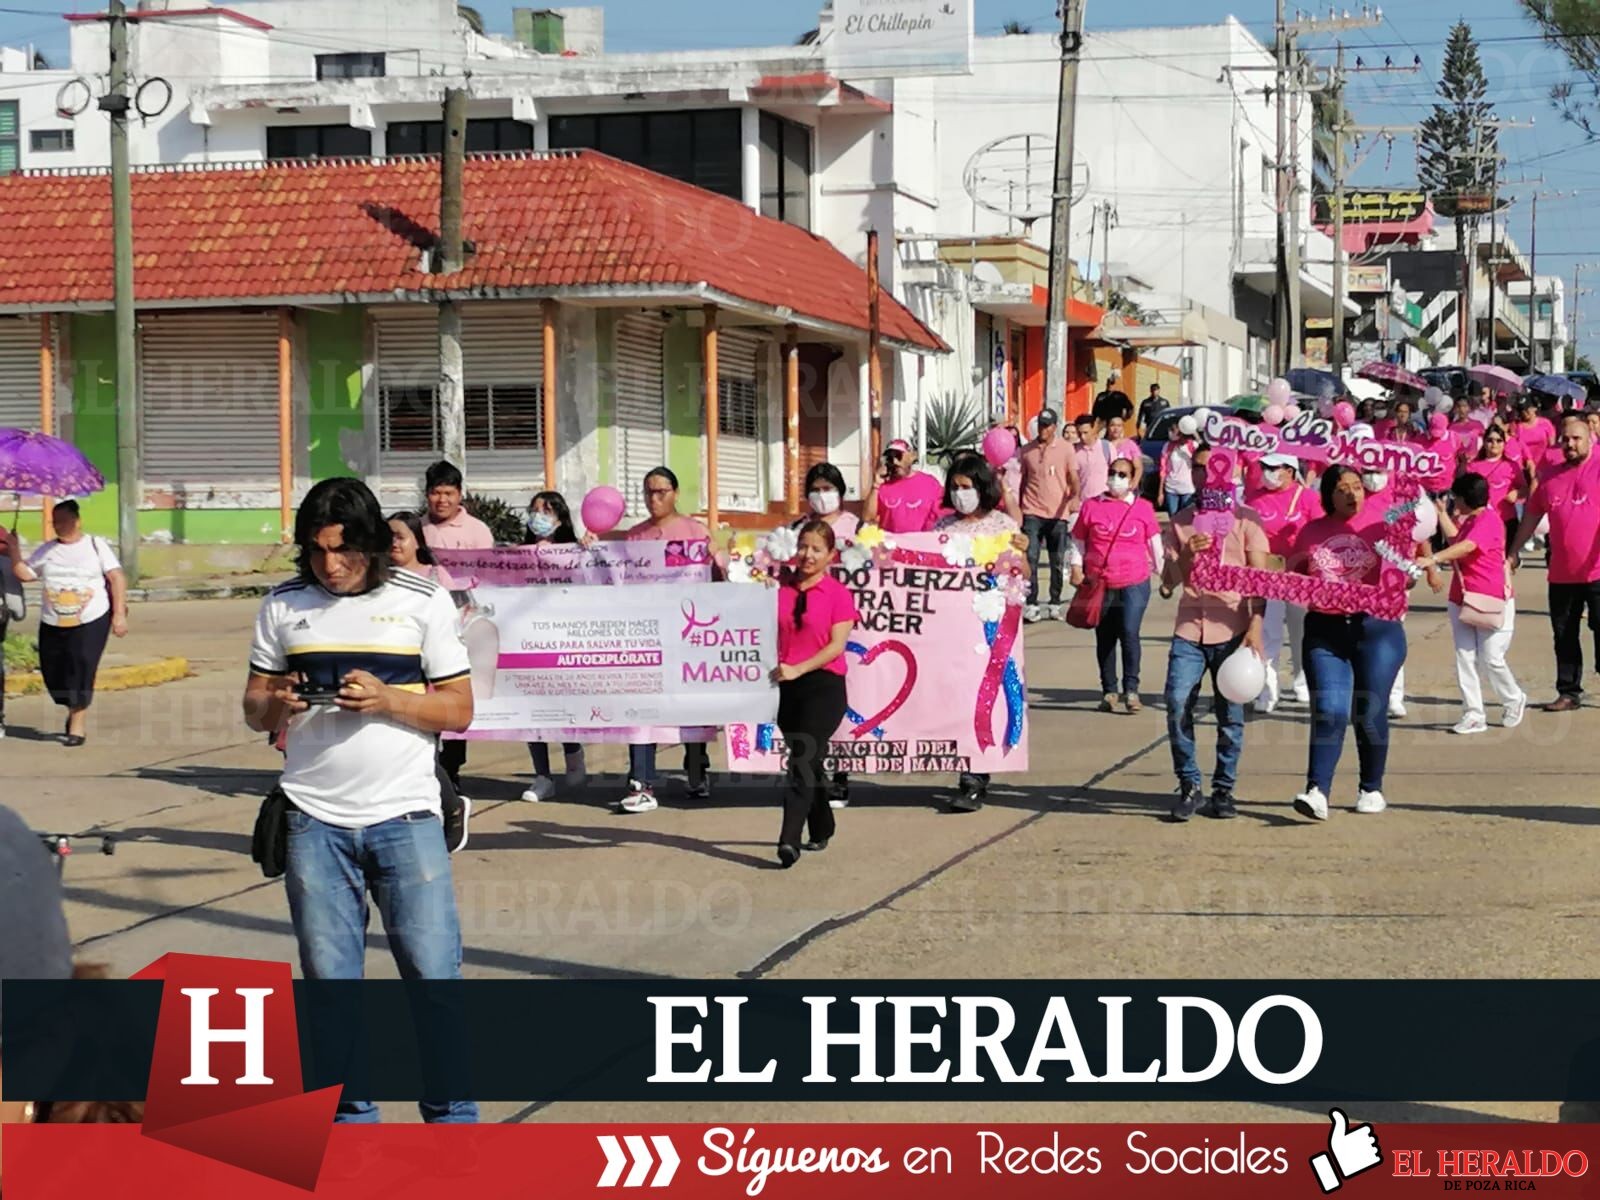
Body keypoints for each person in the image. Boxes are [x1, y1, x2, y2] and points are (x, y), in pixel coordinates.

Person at [242, 477, 477, 1124]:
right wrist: (275, 705)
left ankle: (452, 1122)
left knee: (433, 983)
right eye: (317, 552)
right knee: (331, 991)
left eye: (343, 551)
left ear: (372, 544)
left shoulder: (423, 599)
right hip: (313, 823)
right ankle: (352, 1129)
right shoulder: (284, 606)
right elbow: (253, 708)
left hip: (405, 818)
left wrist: (390, 699)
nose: (330, 566)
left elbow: (459, 709)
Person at [1290, 466, 1417, 821]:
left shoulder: (1385, 520)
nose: (1352, 494)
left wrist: (1404, 576)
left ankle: (1371, 788)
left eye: (1357, 487)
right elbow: (1290, 576)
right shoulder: (1312, 532)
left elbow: (1405, 568)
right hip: (1325, 631)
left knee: (1370, 711)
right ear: (1329, 495)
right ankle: (1317, 791)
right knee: (1329, 710)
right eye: (1343, 488)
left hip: (1376, 630)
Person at [1161, 478, 1270, 821]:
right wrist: (1188, 555)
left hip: (1233, 628)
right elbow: (1167, 583)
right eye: (1199, 468)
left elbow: (1259, 579)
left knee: (1231, 715)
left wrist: (1255, 627)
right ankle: (1189, 785)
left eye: (1213, 468)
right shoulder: (1181, 522)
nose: (1206, 475)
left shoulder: (1246, 519)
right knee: (1177, 702)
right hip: (1190, 628)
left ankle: (1224, 789)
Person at [935, 453, 1027, 812]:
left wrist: (1022, 555)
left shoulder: (1002, 526)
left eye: (966, 487)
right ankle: (962, 766)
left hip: (989, 626)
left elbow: (1023, 577)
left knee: (986, 696)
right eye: (955, 488)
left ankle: (976, 776)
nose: (960, 495)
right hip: (951, 630)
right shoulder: (941, 530)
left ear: (982, 488)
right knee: (956, 697)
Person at [621, 467, 714, 812]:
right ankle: (640, 781)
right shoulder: (633, 537)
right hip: (646, 636)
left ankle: (696, 770)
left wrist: (718, 554)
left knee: (690, 707)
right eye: (648, 493)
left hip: (688, 635)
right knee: (641, 708)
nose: (654, 499)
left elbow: (714, 577)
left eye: (660, 492)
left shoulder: (695, 532)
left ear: (675, 493)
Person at [0, 500, 128, 747]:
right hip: (54, 620)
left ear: (77, 521)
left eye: (64, 520)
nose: (59, 525)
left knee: (82, 664)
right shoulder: (48, 549)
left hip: (91, 617)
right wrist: (14, 550)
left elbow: (116, 577)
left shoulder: (95, 545)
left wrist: (119, 614)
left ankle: (78, 725)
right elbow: (25, 574)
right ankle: (72, 708)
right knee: (54, 670)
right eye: (55, 521)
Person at [771, 520, 858, 867]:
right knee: (809, 761)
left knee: (801, 761)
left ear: (830, 555)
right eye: (803, 546)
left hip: (823, 686)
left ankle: (788, 839)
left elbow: (836, 646)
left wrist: (799, 667)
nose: (807, 555)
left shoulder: (838, 594)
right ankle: (822, 824)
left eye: (816, 549)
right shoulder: (777, 588)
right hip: (785, 688)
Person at [1510, 413, 1600, 713]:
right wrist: (1513, 551)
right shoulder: (1549, 477)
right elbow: (1532, 517)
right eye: (1567, 439)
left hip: (1597, 570)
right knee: (1564, 634)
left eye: (1577, 439)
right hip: (1561, 574)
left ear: (1590, 440)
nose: (1571, 444)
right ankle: (1568, 692)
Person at [1426, 473, 1525, 735]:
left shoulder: (1489, 519)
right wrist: (1441, 514)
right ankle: (1473, 713)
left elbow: (1467, 546)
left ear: (1465, 498)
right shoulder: (1470, 520)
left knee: (1491, 659)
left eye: (1455, 497)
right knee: (1465, 657)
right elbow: (1458, 540)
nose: (1452, 501)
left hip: (1490, 599)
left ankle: (1513, 698)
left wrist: (1433, 558)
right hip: (1462, 598)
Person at [419, 461, 494, 796]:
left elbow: (490, 579)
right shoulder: (414, 529)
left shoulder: (477, 530)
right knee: (421, 698)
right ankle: (425, 765)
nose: (442, 500)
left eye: (448, 493)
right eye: (436, 492)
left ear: (460, 494)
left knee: (455, 695)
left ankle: (451, 770)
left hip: (463, 626)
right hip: (419, 628)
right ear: (427, 494)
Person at [1071, 456, 1163, 715]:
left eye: (1123, 474)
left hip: (1134, 581)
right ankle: (1109, 690)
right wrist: (1076, 567)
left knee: (1129, 631)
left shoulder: (1142, 508)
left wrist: (1165, 574)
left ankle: (1131, 690)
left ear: (1133, 478)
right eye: (1113, 472)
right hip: (1101, 582)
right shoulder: (1092, 506)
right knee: (1106, 636)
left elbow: (1155, 543)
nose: (1116, 478)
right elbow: (1078, 540)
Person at [520, 491, 588, 802]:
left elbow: (592, 579)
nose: (539, 517)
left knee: (563, 708)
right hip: (527, 640)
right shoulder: (518, 555)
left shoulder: (574, 550)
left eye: (547, 511)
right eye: (535, 511)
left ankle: (573, 754)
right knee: (532, 713)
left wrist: (589, 550)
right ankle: (542, 776)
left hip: (564, 639)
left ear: (560, 518)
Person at [1246, 453, 1322, 711]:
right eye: (1263, 467)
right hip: (1266, 575)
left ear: (1289, 471)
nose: (1266, 472)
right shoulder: (1253, 498)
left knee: (1302, 635)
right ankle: (1267, 692)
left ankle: (1303, 684)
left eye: (1272, 468)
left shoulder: (1308, 498)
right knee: (1268, 634)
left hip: (1300, 576)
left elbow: (1320, 534)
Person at [1018, 409, 1079, 623]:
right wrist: (1017, 509)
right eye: (1041, 425)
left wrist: (1074, 497)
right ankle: (1032, 603)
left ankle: (1054, 602)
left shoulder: (1066, 448)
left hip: (1058, 513)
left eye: (1047, 425)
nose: (1043, 429)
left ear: (1055, 426)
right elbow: (1021, 480)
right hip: (1032, 511)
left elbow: (1073, 476)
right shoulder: (1027, 451)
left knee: (1056, 559)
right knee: (1032, 557)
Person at [864, 439, 944, 533]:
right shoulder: (883, 486)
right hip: (892, 545)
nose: (894, 461)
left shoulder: (930, 483)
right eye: (890, 458)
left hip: (920, 544)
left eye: (898, 456)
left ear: (911, 456)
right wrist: (876, 485)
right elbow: (868, 518)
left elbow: (941, 515)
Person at [1467, 424, 1523, 547]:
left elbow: (1524, 488)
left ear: (1504, 443)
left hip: (1506, 519)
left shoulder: (1512, 466)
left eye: (1499, 440)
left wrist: (1517, 494)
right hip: (1481, 520)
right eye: (1490, 440)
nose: (1494, 444)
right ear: (1484, 443)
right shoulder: (1473, 466)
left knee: (1505, 562)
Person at [796, 462, 860, 545]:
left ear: (839, 491)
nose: (821, 494)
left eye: (827, 489)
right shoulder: (797, 527)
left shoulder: (856, 527)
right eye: (815, 490)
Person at [1157, 418, 1200, 516]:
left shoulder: (1192, 445)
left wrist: (1193, 432)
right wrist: (1160, 492)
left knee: (1186, 517)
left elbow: (1202, 449)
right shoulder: (1167, 446)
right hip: (1171, 488)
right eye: (1170, 430)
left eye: (1174, 430)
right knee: (1173, 517)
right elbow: (1163, 470)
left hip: (1187, 488)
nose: (1171, 432)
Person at [1072, 414, 1114, 503]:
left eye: (1085, 433)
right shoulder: (1073, 451)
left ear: (1094, 428)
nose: (1082, 437)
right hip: (1082, 503)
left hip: (1104, 501)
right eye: (1079, 433)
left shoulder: (1106, 447)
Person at [1105, 414, 1142, 483]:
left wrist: (1134, 482)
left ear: (1123, 428)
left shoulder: (1131, 445)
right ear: (1108, 427)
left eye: (1119, 426)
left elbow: (1138, 467)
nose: (1116, 429)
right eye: (1112, 425)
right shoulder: (1102, 445)